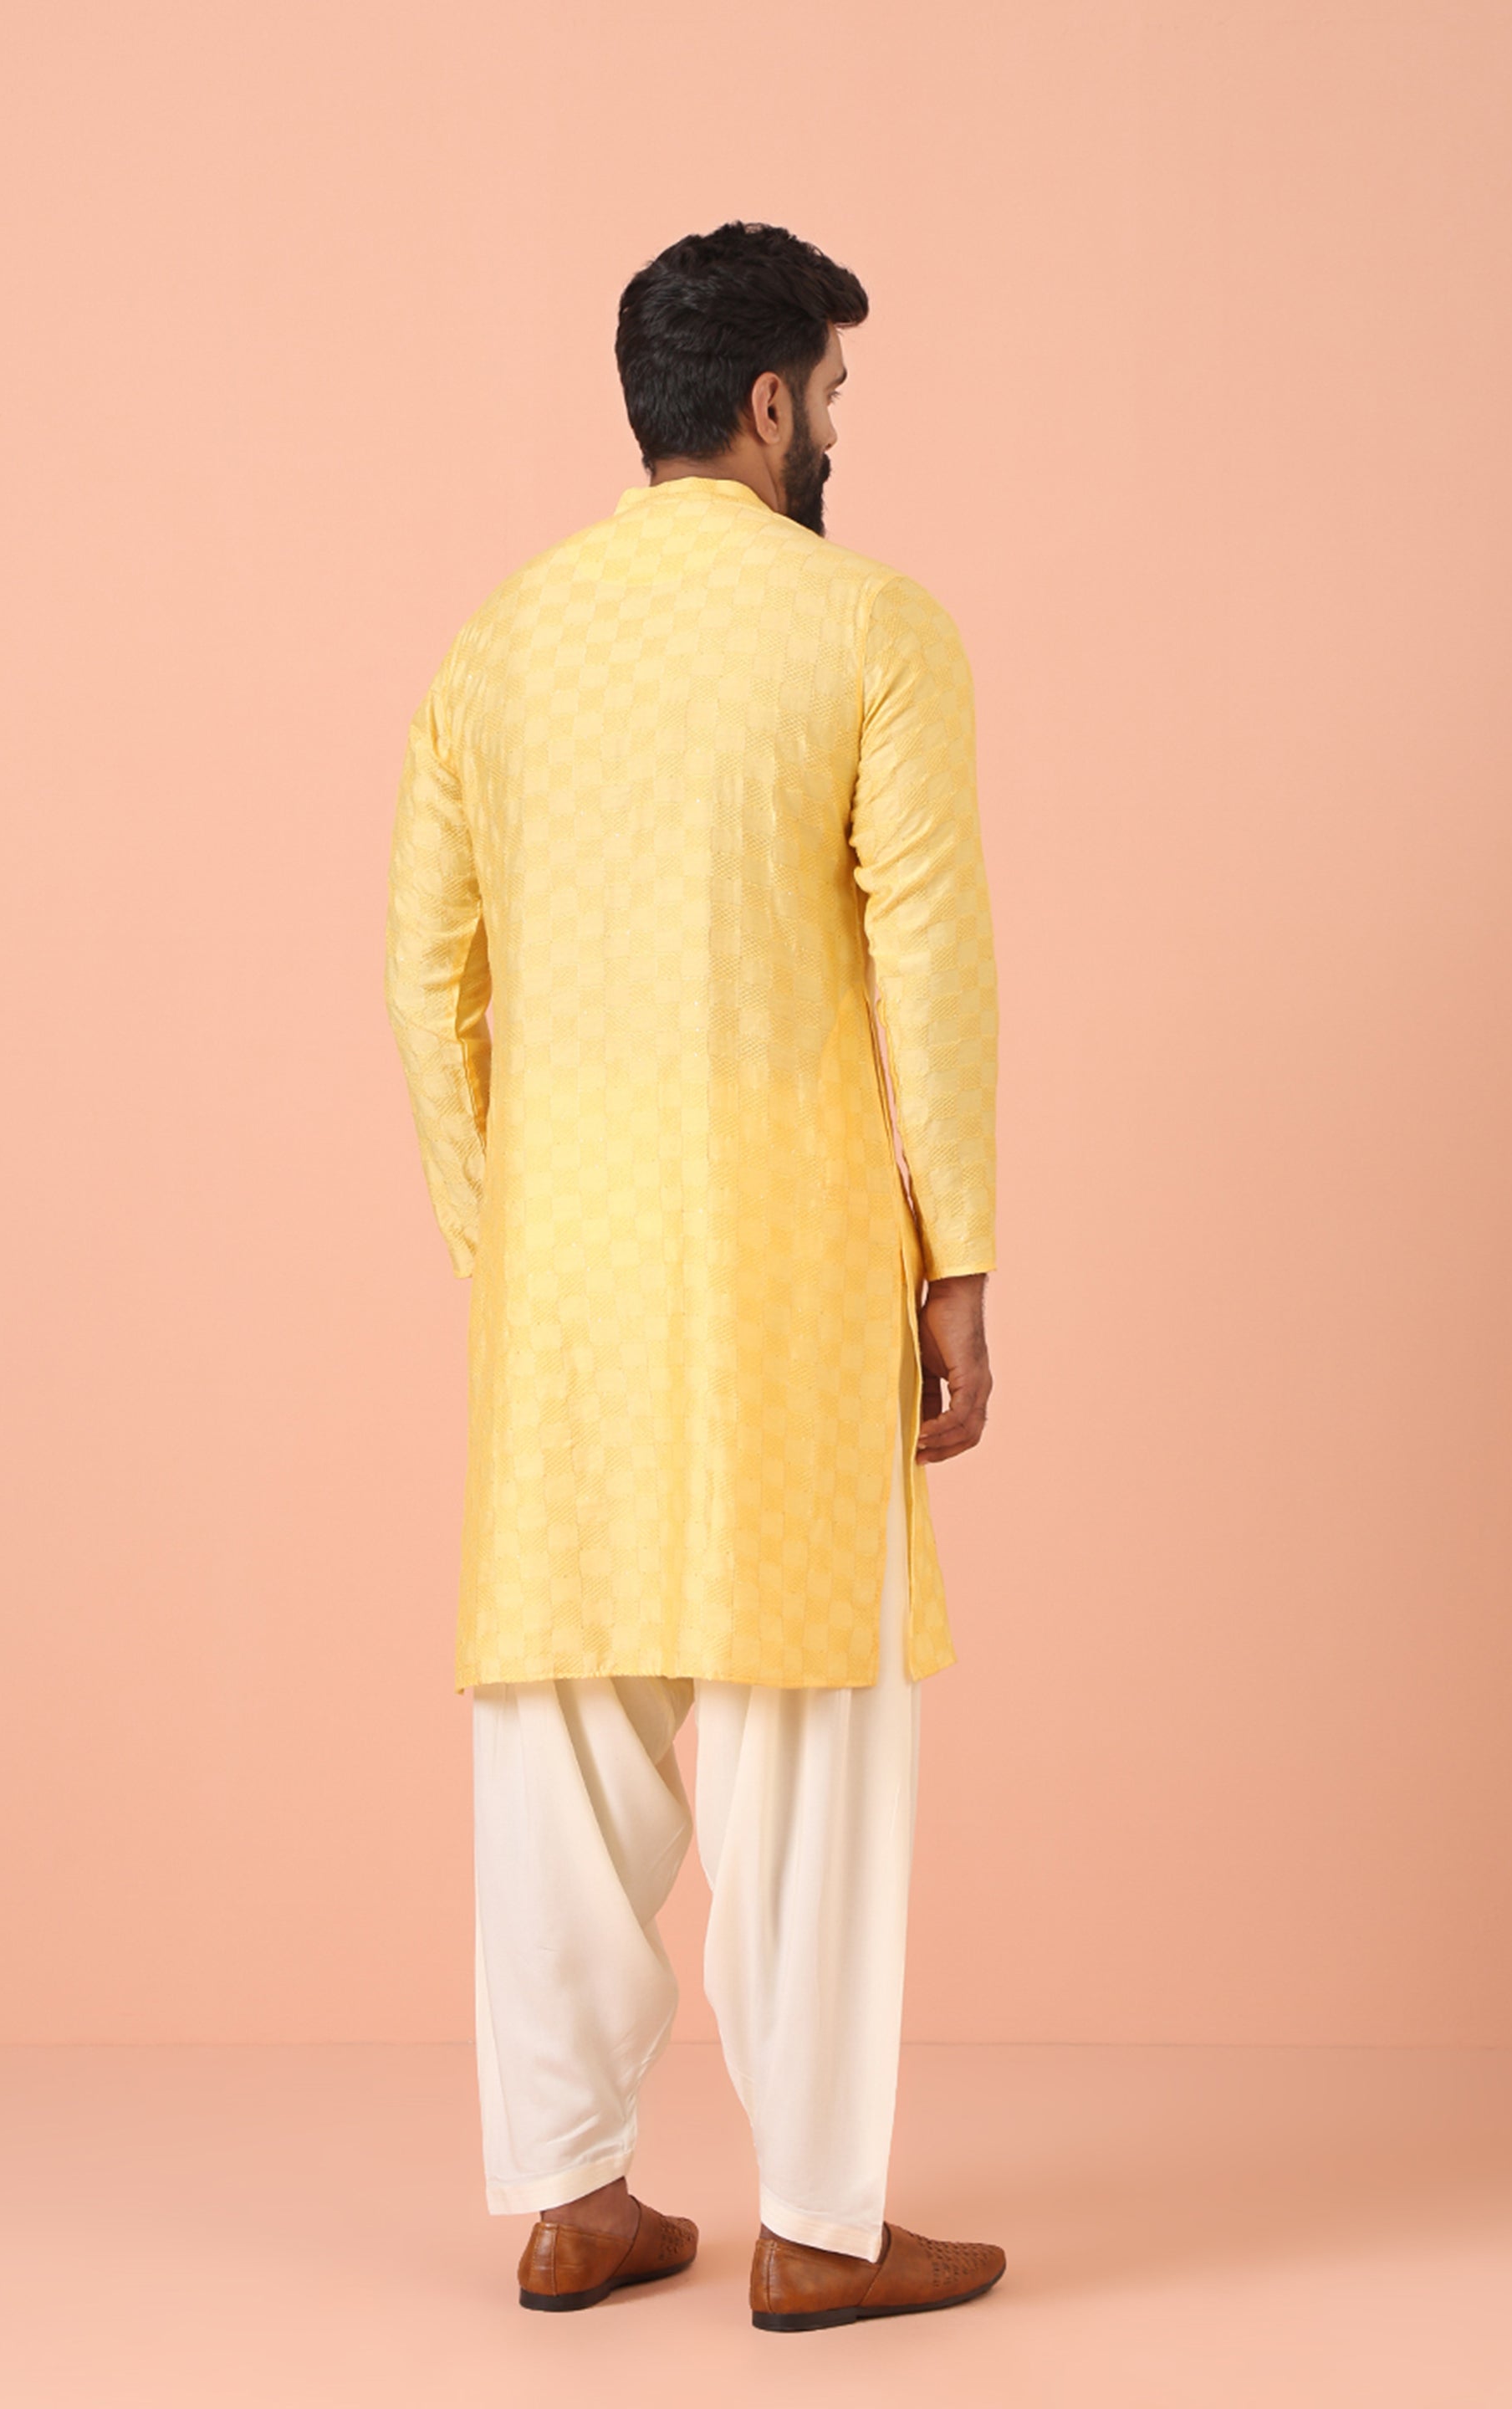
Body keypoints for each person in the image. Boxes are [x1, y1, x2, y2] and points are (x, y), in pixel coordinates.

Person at [384, 219, 1003, 2333]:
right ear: (766, 403)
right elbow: (931, 970)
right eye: (832, 393)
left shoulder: (499, 645)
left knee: (562, 1732)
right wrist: (958, 1262)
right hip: (793, 1267)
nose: (837, 431)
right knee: (807, 1736)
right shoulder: (871, 626)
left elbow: (425, 983)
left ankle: (574, 2202)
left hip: (564, 1288)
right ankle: (818, 2224)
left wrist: (508, 1240)